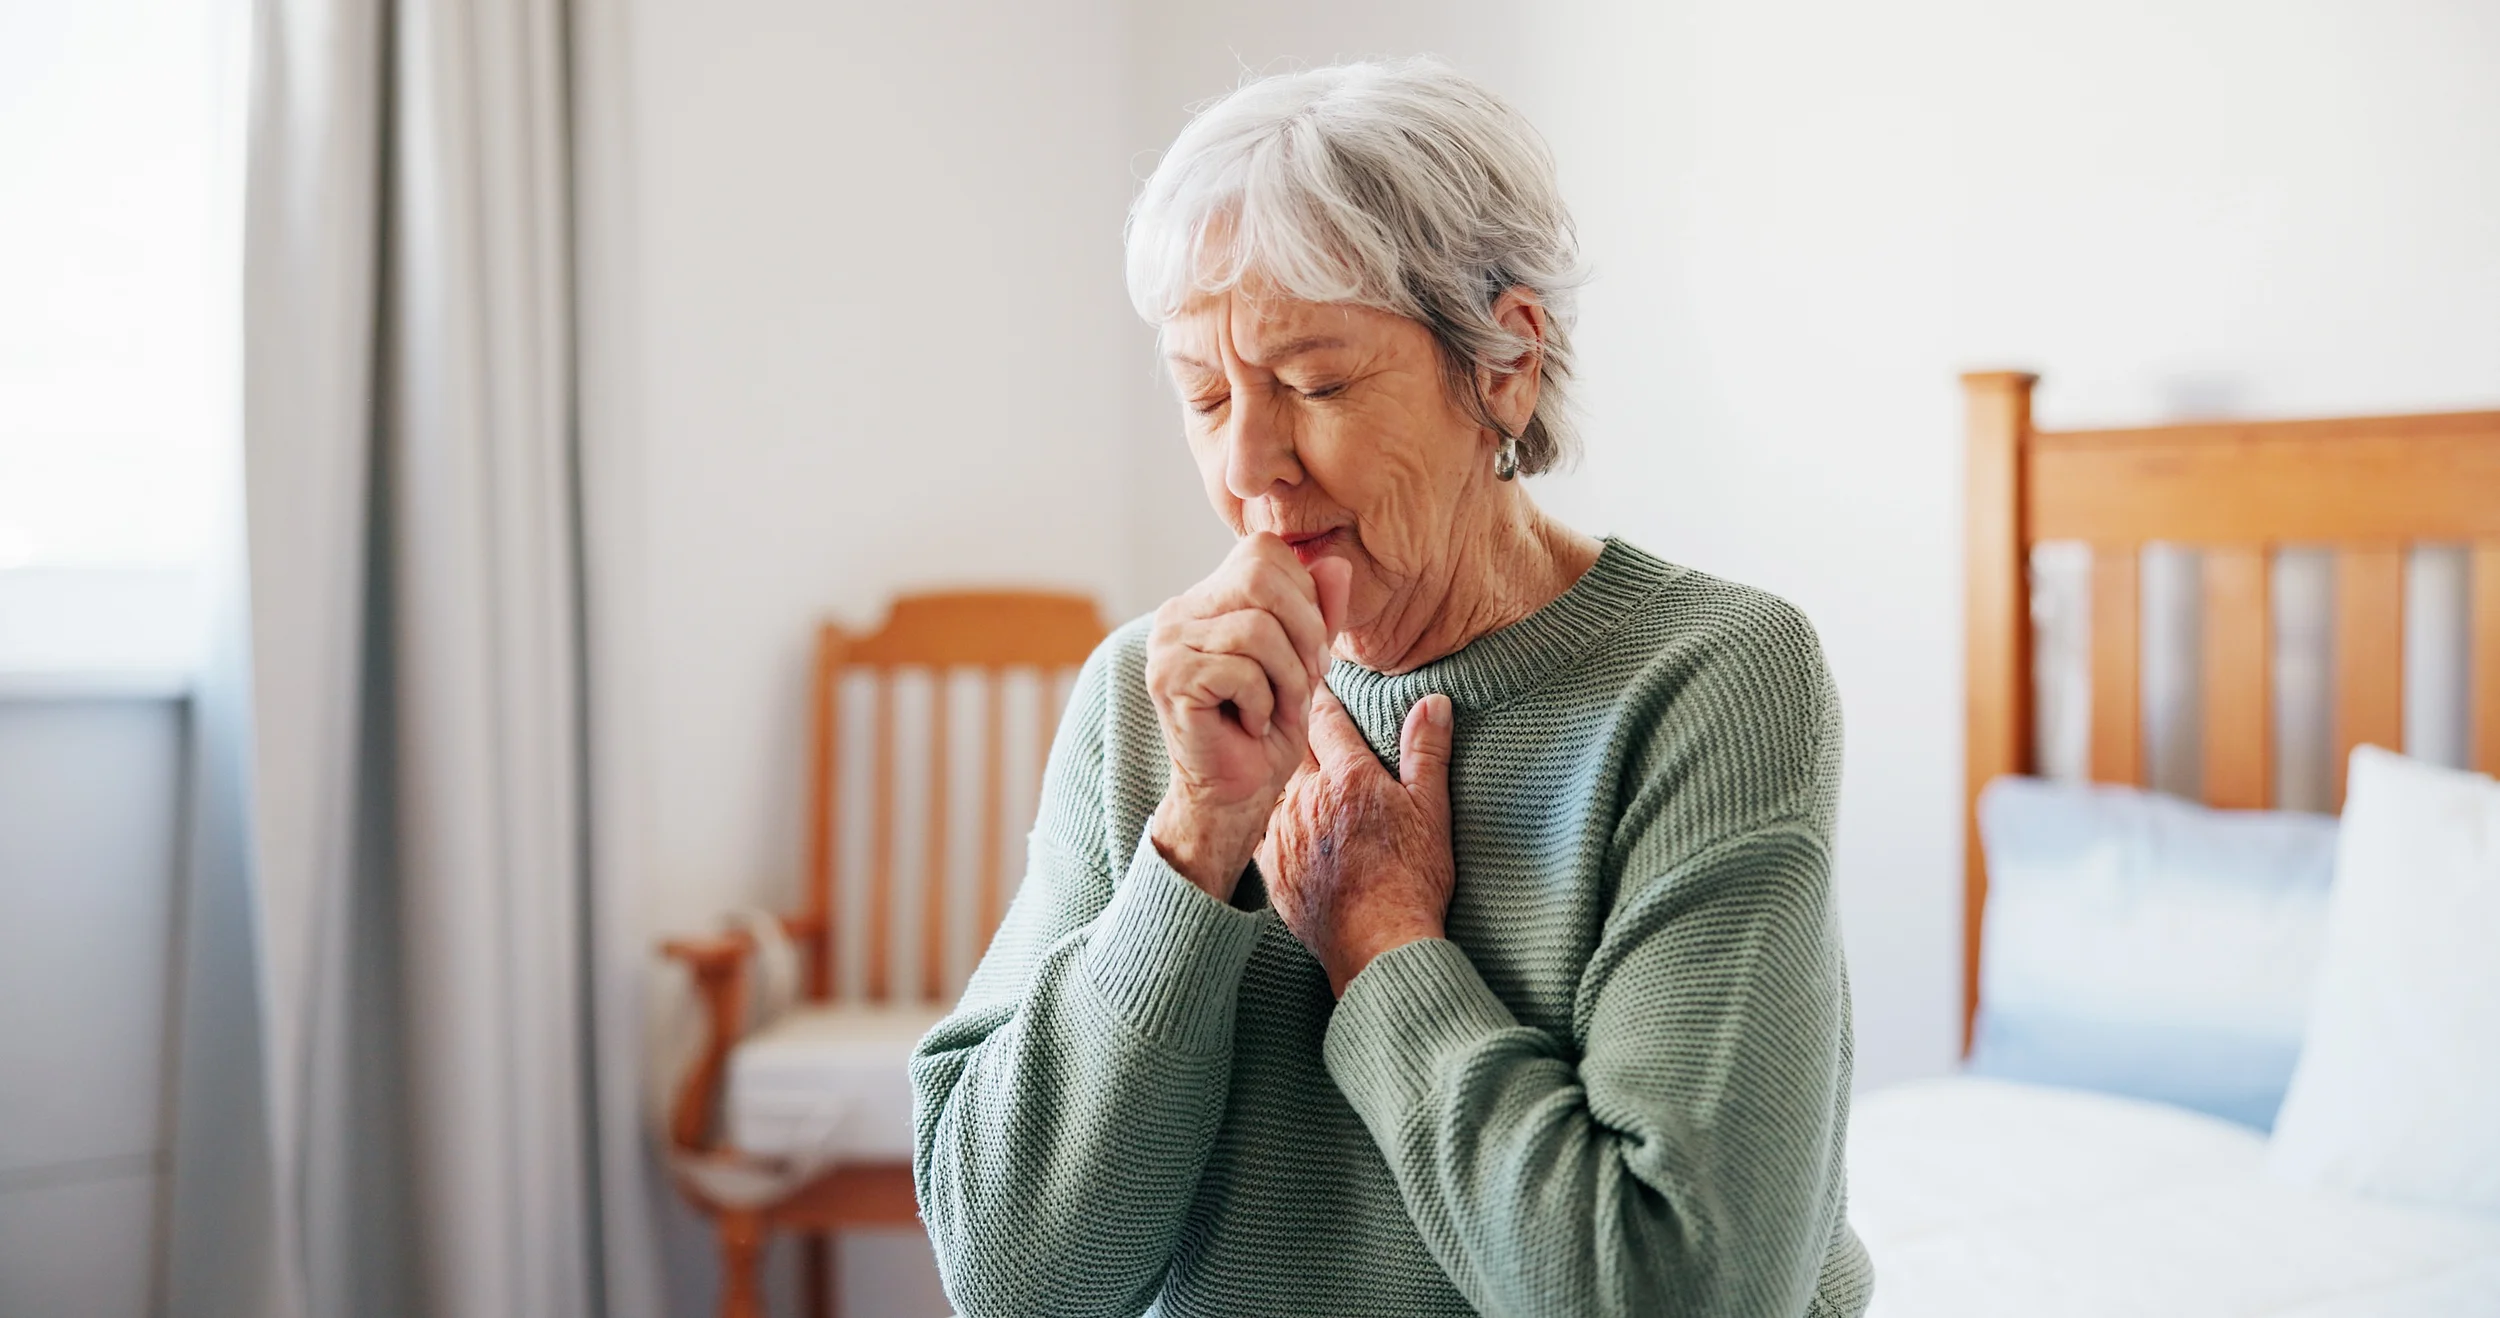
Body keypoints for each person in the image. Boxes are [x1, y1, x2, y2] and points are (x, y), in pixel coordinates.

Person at [911, 57, 1869, 1318]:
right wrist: (1196, 845)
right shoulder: (1154, 700)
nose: (1249, 462)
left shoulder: (1710, 684)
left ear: (1503, 366)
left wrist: (1382, 943)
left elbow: (1670, 1291)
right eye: (1205, 395)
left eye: (1312, 385)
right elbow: (1011, 1276)